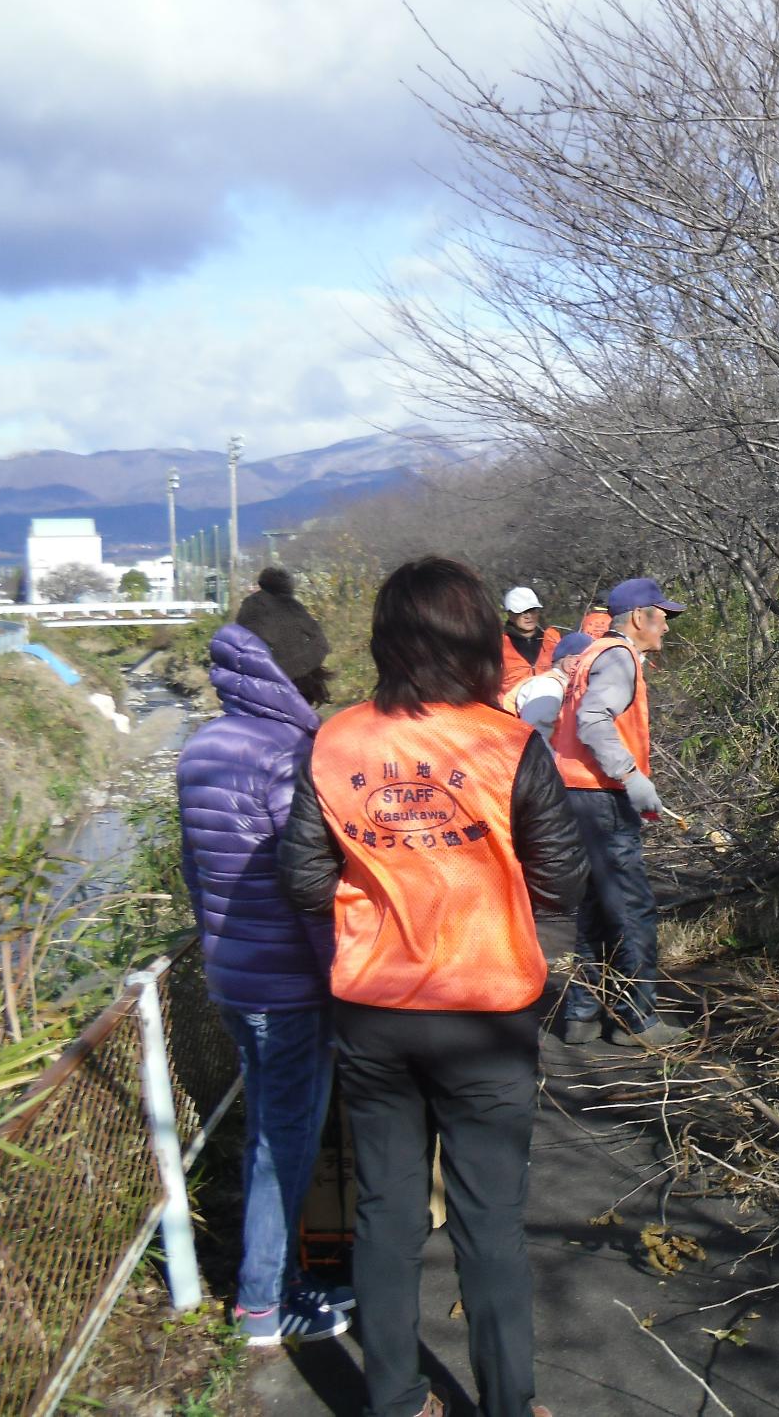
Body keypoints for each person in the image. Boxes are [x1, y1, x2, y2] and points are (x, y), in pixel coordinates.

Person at [278, 556, 586, 1417]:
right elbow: (563, 874)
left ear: (386, 641)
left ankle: (394, 1400)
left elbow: (302, 876)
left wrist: (376, 893)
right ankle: (508, 1406)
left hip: (374, 1011)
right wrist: (520, 927)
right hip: (488, 1012)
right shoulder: (507, 742)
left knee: (386, 1211)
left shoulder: (337, 740)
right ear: (480, 639)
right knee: (490, 1221)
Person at [177, 618, 348, 1347]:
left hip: (230, 975)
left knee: (265, 1132)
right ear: (293, 674)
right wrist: (341, 979)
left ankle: (271, 1284)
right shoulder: (289, 754)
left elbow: (194, 868)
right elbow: (310, 890)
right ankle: (263, 1304)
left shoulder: (200, 748)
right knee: (288, 1142)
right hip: (290, 985)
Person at [551, 577, 684, 1047]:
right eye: (662, 618)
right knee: (633, 907)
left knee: (596, 905)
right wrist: (631, 776)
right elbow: (592, 720)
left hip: (574, 796)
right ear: (638, 618)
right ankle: (637, 1020)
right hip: (601, 798)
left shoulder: (590, 653)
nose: (666, 628)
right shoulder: (619, 657)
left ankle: (582, 1014)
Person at [236, 566, 331, 703]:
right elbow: (320, 641)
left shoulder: (251, 605)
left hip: (262, 679)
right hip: (298, 680)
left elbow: (241, 639)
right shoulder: (293, 606)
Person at [500, 631, 592, 741]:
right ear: (571, 662)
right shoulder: (549, 687)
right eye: (589, 661)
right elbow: (535, 735)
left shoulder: (564, 685)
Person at [498, 586, 561, 696]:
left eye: (532, 611)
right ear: (510, 614)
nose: (529, 616)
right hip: (509, 709)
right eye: (522, 612)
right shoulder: (498, 643)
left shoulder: (552, 637)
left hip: (549, 704)